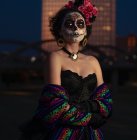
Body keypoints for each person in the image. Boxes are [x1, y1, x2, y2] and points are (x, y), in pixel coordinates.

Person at [19, 0, 112, 139]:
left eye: (80, 24)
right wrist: (90, 117)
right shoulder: (55, 58)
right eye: (69, 24)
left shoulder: (93, 61)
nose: (75, 27)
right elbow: (55, 104)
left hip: (92, 134)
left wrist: (89, 107)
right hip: (64, 134)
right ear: (60, 31)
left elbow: (106, 101)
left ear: (86, 30)